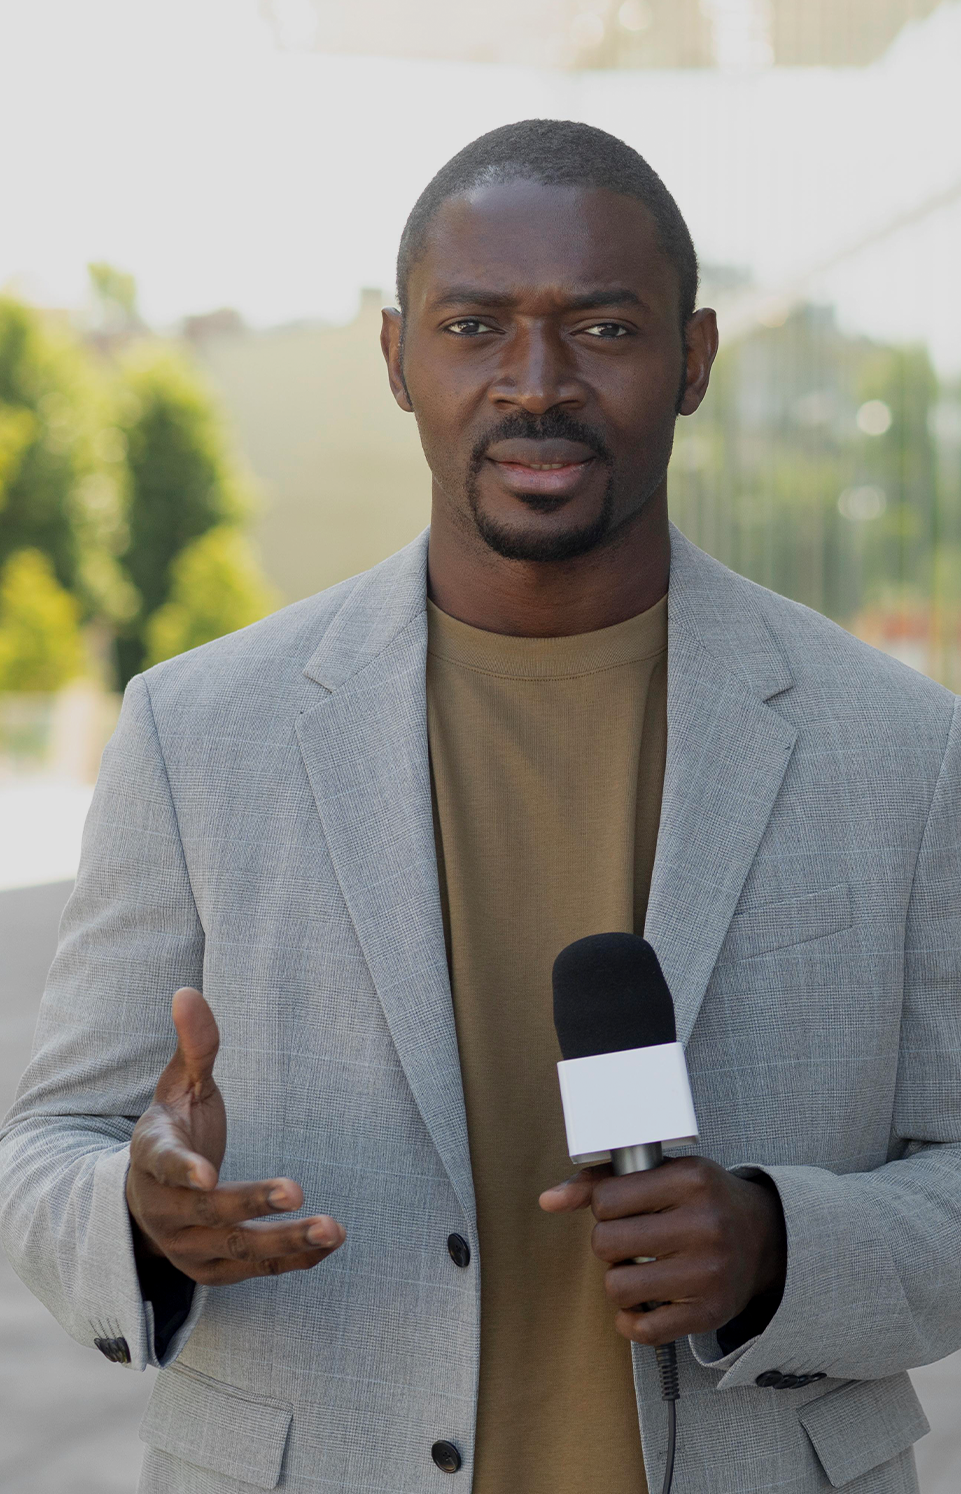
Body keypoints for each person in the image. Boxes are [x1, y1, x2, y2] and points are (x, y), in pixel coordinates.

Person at [1, 119, 959, 1494]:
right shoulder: (198, 731)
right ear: (398, 358)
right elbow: (50, 1150)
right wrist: (142, 1214)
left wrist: (777, 1245)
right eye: (473, 327)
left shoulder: (902, 747)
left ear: (694, 360)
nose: (536, 383)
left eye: (604, 329)